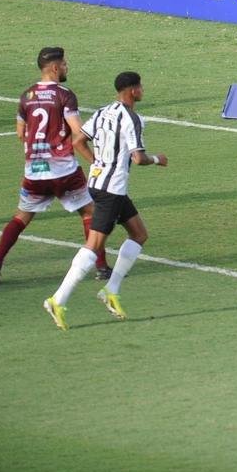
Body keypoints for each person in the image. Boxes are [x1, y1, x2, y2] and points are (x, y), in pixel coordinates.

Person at [43, 71, 168, 330]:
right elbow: (138, 158)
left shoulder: (101, 112)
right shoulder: (131, 118)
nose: (143, 90)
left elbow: (77, 140)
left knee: (139, 234)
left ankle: (111, 290)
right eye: (140, 87)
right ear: (132, 90)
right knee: (93, 245)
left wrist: (97, 163)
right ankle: (58, 299)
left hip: (102, 184)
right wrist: (158, 159)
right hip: (111, 190)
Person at [0, 48, 110, 285]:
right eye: (64, 64)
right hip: (64, 170)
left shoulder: (26, 96)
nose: (66, 67)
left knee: (21, 217)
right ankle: (102, 267)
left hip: (35, 170)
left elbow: (20, 133)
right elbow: (76, 130)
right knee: (90, 213)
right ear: (54, 67)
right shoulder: (65, 95)